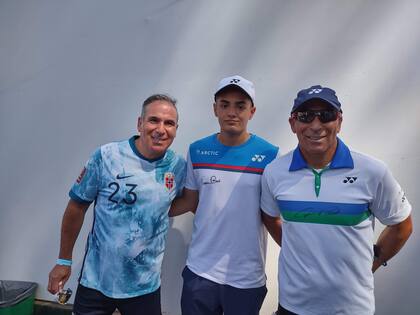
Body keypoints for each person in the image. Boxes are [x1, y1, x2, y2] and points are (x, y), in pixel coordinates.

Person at [261, 85, 413, 315]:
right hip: (293, 306)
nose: (315, 125)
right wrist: (299, 251)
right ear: (293, 123)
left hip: (351, 308)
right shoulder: (274, 172)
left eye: (326, 115)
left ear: (339, 121)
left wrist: (370, 263)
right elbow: (270, 218)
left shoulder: (372, 171)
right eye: (305, 116)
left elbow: (402, 226)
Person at [47, 94, 186, 315]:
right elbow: (76, 207)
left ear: (176, 129)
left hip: (145, 285)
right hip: (96, 281)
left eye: (169, 123)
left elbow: (186, 200)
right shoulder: (107, 156)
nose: (161, 129)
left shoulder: (178, 166)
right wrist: (63, 260)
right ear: (139, 123)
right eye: (153, 120)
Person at [170, 75, 281, 315]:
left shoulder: (270, 154)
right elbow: (191, 201)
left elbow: (271, 215)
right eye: (225, 104)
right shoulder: (197, 150)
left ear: (252, 111)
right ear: (215, 109)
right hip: (200, 272)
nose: (232, 112)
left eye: (240, 106)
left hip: (246, 277)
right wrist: (147, 208)